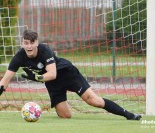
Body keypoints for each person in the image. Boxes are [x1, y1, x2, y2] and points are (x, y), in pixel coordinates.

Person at [0, 29, 141, 120]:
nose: (29, 46)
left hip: (67, 73)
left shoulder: (44, 50)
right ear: (22, 44)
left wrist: (38, 78)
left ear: (36, 42)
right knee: (65, 116)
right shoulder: (19, 57)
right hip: (53, 84)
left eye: (32, 43)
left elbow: (53, 73)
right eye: (26, 43)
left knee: (93, 101)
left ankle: (128, 114)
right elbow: (5, 80)